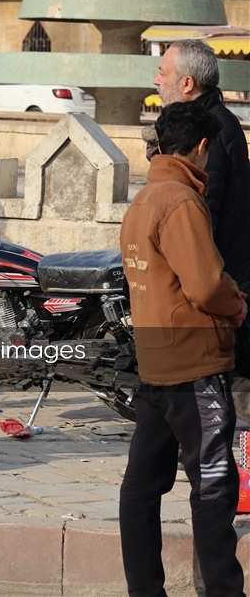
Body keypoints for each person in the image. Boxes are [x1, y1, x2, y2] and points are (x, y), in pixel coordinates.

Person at [119, 101, 247, 597]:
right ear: (201, 147)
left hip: (154, 362)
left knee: (141, 486)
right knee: (214, 486)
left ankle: (144, 589)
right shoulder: (181, 201)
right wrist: (237, 305)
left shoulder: (144, 198)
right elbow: (206, 284)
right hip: (193, 363)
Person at [150, 39, 250, 383]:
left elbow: (201, 212)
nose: (156, 80)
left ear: (187, 83)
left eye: (163, 73)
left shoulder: (210, 131)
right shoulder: (208, 122)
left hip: (222, 283)